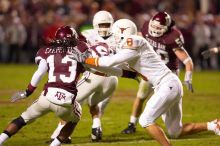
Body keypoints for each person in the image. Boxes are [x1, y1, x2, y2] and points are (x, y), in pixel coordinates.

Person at [85, 18, 220, 146]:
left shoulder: (134, 41)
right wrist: (93, 68)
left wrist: (85, 59)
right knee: (175, 131)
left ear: (122, 33)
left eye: (114, 34)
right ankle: (214, 125)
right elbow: (119, 70)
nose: (113, 38)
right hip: (169, 85)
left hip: (167, 85)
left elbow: (109, 62)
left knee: (146, 120)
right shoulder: (127, 49)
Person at [0, 26, 90, 146]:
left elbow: (40, 72)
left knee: (22, 119)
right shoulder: (81, 48)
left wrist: (27, 92)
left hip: (47, 97)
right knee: (75, 119)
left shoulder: (45, 51)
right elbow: (88, 69)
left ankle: (1, 140)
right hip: (65, 101)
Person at [48, 10, 118, 143]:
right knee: (93, 102)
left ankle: (59, 134)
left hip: (93, 74)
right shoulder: (118, 37)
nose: (103, 28)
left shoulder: (86, 35)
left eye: (106, 25)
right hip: (113, 79)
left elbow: (71, 47)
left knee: (70, 102)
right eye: (102, 25)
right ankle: (96, 127)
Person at [121, 11, 194, 134]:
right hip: (150, 70)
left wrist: (188, 76)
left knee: (166, 105)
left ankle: (172, 127)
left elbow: (187, 60)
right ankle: (132, 124)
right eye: (153, 26)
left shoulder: (172, 37)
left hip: (167, 73)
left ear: (167, 28)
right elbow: (137, 40)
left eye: (159, 28)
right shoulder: (145, 28)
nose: (155, 29)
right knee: (141, 96)